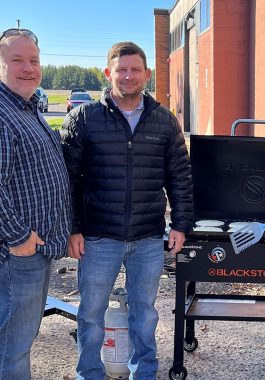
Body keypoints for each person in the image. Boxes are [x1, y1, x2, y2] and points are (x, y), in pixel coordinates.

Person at [61, 41, 193, 379]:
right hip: (97, 236)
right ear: (108, 73)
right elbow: (68, 180)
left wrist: (180, 224)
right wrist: (73, 229)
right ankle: (89, 372)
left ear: (147, 75)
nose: (129, 76)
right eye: (122, 69)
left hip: (148, 236)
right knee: (91, 312)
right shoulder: (85, 118)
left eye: (136, 70)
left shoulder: (164, 120)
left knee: (145, 313)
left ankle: (143, 372)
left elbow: (179, 175)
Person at [0, 28, 71, 379]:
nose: (28, 68)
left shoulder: (27, 108)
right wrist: (18, 238)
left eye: (34, 60)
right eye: (17, 60)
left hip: (36, 249)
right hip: (17, 253)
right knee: (11, 347)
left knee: (21, 339)